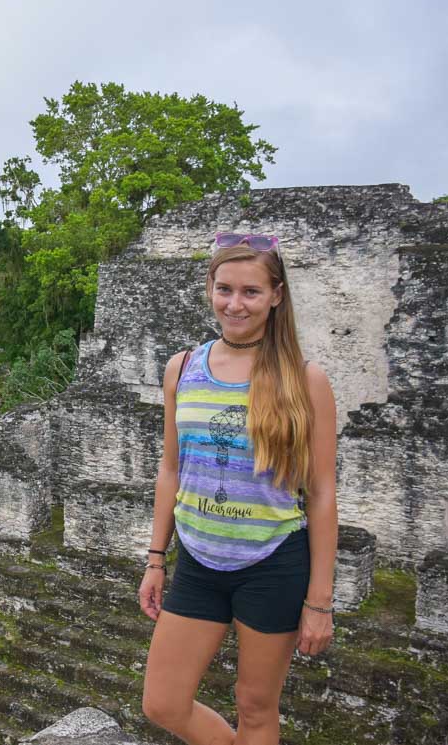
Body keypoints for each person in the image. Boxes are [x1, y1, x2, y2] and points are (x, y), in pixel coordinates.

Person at [140, 232, 338, 745]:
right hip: (199, 562)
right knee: (162, 702)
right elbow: (170, 469)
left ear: (276, 295)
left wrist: (319, 601)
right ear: (209, 288)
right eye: (224, 288)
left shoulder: (303, 379)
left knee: (255, 707)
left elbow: (320, 492)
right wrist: (156, 558)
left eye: (250, 291)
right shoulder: (183, 368)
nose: (235, 303)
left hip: (273, 564)